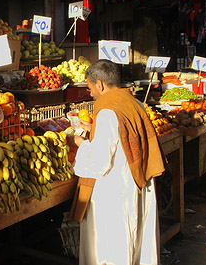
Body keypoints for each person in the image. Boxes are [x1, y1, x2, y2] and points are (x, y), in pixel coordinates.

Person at [67, 60, 165, 265]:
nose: (90, 92)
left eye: (90, 87)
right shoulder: (136, 103)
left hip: (116, 191)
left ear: (100, 85)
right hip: (137, 183)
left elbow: (99, 163)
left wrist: (80, 143)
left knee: (114, 250)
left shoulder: (107, 112)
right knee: (137, 245)